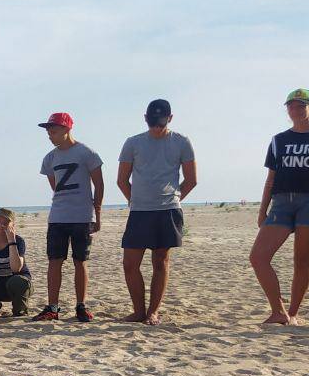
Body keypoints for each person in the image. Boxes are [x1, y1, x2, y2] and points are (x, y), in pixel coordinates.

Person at [249, 88, 309, 325]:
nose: (295, 110)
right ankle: (277, 311)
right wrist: (262, 211)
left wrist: (308, 188)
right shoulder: (278, 141)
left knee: (301, 260)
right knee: (258, 257)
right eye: (291, 106)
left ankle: (293, 312)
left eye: (301, 105)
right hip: (281, 203)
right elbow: (271, 178)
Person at [117, 99, 197, 325]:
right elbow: (122, 180)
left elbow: (191, 180)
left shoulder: (181, 142)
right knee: (130, 264)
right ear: (145, 118)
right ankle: (138, 311)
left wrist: (174, 197)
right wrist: (135, 201)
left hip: (168, 210)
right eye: (153, 122)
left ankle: (153, 312)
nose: (157, 127)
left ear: (170, 118)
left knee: (160, 262)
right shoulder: (133, 143)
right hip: (140, 211)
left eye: (161, 122)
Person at [33, 112, 103, 322]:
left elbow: (98, 184)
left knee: (80, 261)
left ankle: (81, 305)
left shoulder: (87, 153)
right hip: (58, 216)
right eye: (48, 131)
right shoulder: (50, 158)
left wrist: (97, 214)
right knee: (55, 260)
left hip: (81, 216)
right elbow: (56, 187)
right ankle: (52, 307)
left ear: (67, 129)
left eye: (53, 130)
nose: (50, 134)